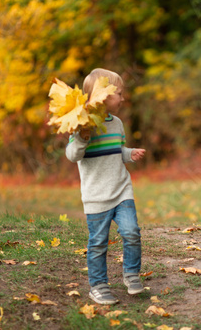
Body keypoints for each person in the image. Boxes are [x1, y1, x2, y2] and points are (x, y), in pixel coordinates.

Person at [66, 68, 146, 304]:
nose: (122, 98)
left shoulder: (118, 123)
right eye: (119, 93)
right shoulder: (81, 123)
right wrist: (82, 137)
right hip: (96, 196)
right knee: (98, 243)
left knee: (131, 232)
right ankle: (98, 285)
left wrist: (130, 153)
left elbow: (115, 151)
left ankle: (131, 274)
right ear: (103, 95)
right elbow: (73, 155)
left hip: (121, 189)